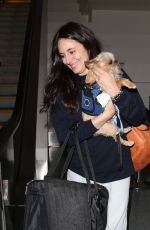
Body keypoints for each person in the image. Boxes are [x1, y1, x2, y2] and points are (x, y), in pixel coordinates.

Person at [41, 21, 146, 230]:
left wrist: (114, 90)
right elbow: (67, 137)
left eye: (71, 51)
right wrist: (101, 119)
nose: (68, 60)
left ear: (87, 45)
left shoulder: (113, 73)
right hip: (81, 172)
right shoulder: (63, 88)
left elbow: (138, 116)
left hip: (117, 170)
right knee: (80, 225)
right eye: (62, 55)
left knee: (115, 227)